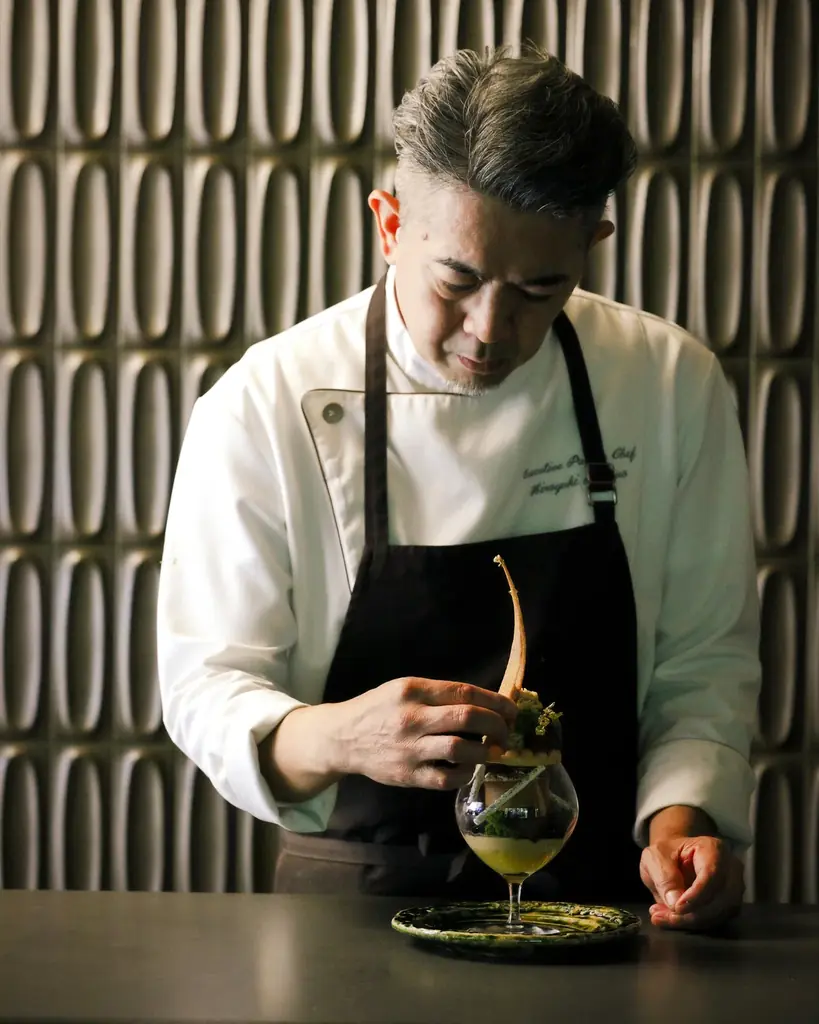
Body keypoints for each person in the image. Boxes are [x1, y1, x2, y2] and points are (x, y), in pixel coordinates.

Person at [156, 46, 761, 930]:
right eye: (459, 279)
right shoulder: (264, 402)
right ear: (389, 224)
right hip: (352, 908)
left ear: (591, 245)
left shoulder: (667, 382)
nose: (489, 328)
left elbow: (702, 660)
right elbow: (207, 686)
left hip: (602, 901)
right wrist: (341, 735)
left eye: (538, 289)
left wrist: (682, 823)